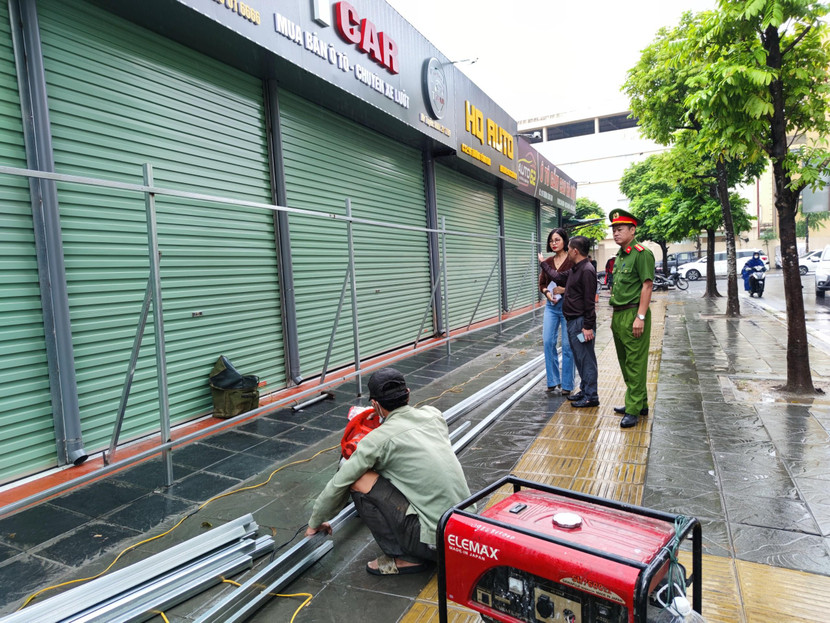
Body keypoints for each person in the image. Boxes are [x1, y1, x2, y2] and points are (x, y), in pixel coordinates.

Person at [305, 368, 471, 576]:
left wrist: (315, 522)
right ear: (408, 394)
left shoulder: (378, 440)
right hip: (465, 530)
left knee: (359, 479)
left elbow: (340, 481)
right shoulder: (433, 415)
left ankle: (404, 557)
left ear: (375, 405)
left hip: (435, 544)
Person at [608, 209, 654, 429]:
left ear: (632, 230)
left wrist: (640, 317)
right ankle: (640, 403)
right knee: (625, 361)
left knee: (635, 363)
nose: (616, 233)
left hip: (634, 313)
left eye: (620, 229)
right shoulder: (620, 255)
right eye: (614, 230)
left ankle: (633, 409)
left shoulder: (641, 253)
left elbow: (647, 285)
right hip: (619, 314)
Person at [561, 236, 599, 408]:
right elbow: (558, 276)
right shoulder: (577, 269)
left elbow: (589, 301)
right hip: (574, 322)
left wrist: (588, 326)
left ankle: (591, 396)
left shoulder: (587, 270)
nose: (567, 252)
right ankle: (585, 390)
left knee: (587, 359)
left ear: (575, 251)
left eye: (568, 249)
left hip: (581, 323)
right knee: (580, 358)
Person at [537, 228, 575, 396]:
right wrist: (547, 293)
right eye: (551, 240)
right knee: (547, 341)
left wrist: (564, 290)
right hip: (551, 307)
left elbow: (578, 283)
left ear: (565, 241)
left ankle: (567, 384)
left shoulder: (572, 260)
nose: (554, 243)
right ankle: (552, 381)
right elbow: (542, 284)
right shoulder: (548, 261)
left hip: (568, 306)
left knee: (567, 346)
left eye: (557, 240)